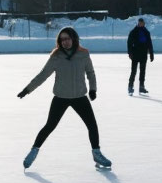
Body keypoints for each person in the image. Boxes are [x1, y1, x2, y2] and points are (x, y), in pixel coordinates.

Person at [18, 27, 111, 170]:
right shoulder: (56, 56)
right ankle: (33, 151)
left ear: (73, 38)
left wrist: (93, 89)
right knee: (49, 126)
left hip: (80, 97)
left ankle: (96, 153)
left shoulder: (83, 54)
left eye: (67, 38)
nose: (65, 42)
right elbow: (43, 75)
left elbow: (90, 73)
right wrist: (27, 89)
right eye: (62, 40)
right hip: (61, 97)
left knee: (92, 125)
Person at [126, 17, 154, 95]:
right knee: (133, 71)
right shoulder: (133, 32)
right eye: (140, 22)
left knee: (142, 71)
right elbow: (129, 43)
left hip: (143, 54)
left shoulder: (146, 32)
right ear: (138, 23)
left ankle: (141, 87)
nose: (141, 23)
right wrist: (130, 53)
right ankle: (130, 87)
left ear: (144, 23)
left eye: (143, 22)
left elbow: (149, 43)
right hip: (135, 54)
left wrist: (151, 53)